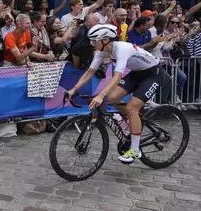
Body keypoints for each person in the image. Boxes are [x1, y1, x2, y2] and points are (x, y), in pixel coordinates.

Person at [67, 24, 170, 163]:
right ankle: (133, 119)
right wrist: (73, 89)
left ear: (105, 40)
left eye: (94, 41)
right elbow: (89, 73)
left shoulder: (122, 48)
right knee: (112, 98)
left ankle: (135, 150)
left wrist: (100, 95)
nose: (92, 44)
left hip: (153, 74)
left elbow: (116, 77)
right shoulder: (102, 51)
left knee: (131, 107)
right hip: (136, 74)